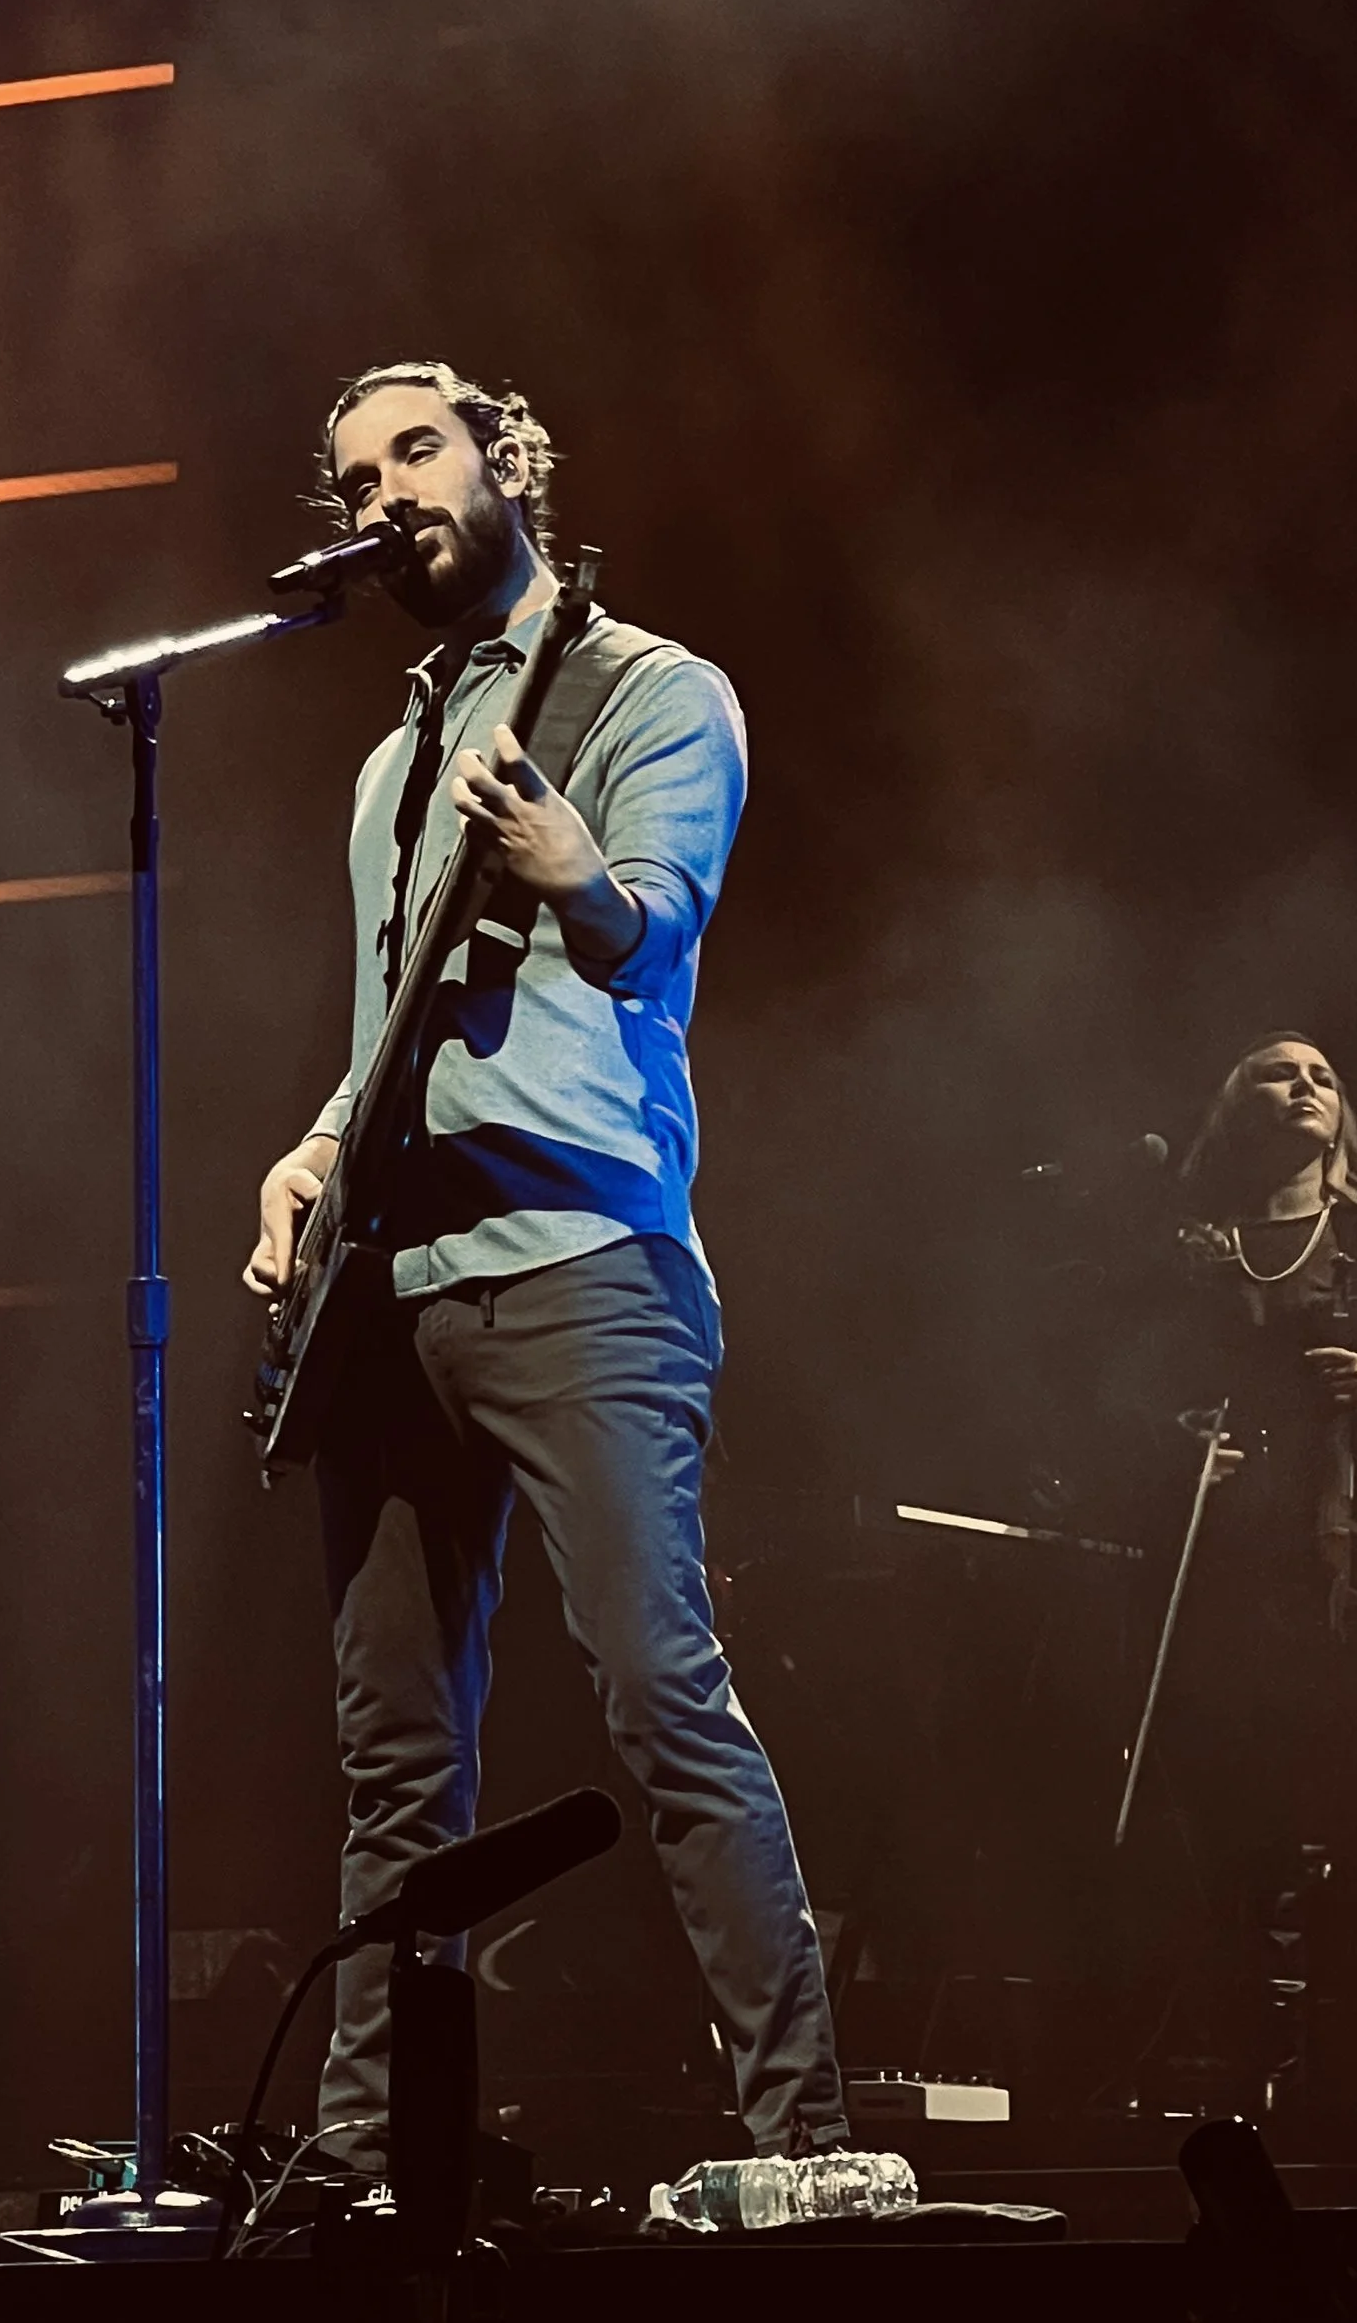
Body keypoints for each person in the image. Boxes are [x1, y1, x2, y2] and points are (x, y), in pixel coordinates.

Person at [244, 359, 912, 2224]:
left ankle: (804, 2141)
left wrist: (575, 870)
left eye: (419, 449)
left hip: (582, 1263)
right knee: (396, 1761)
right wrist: (311, 1148)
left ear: (506, 460)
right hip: (394, 1293)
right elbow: (390, 1034)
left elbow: (651, 925)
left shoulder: (649, 687)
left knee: (654, 1683)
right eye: (352, 468)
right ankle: (373, 2164)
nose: (386, 489)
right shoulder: (389, 766)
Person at [1124, 1033, 1357, 2116]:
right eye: (1279, 1073)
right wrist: (1182, 1440)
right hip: (1239, 1569)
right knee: (1246, 1814)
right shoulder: (1189, 1256)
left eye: (1323, 1076)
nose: (1305, 1086)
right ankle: (1264, 2065)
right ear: (1237, 1109)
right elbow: (1122, 1397)